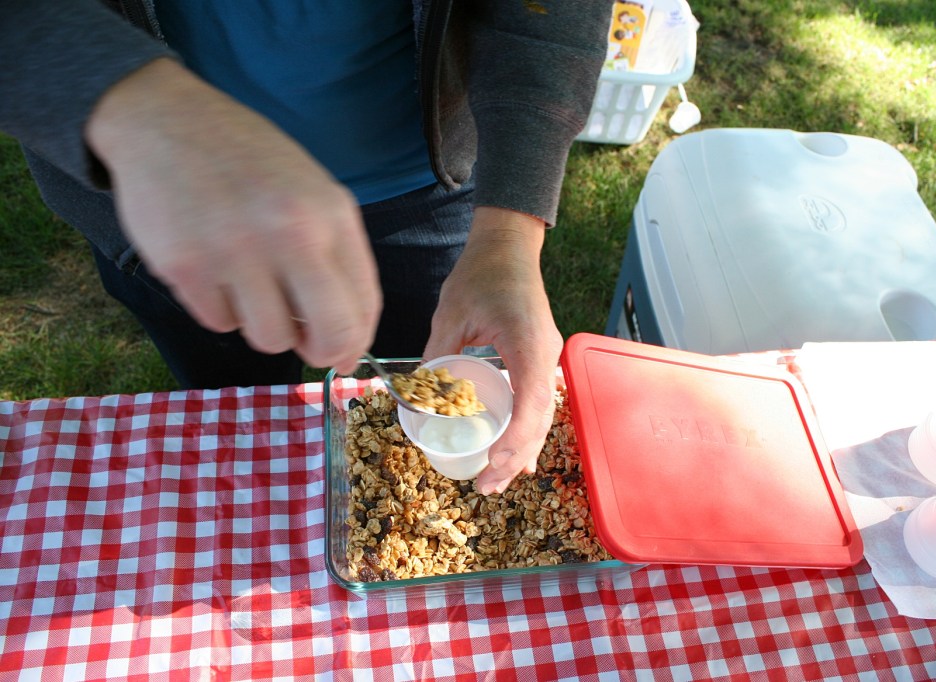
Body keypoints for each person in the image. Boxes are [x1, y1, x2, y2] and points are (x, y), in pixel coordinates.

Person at [0, 1, 611, 495]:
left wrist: (508, 232)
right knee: (232, 402)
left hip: (425, 181)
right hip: (172, 200)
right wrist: (124, 104)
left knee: (419, 350)